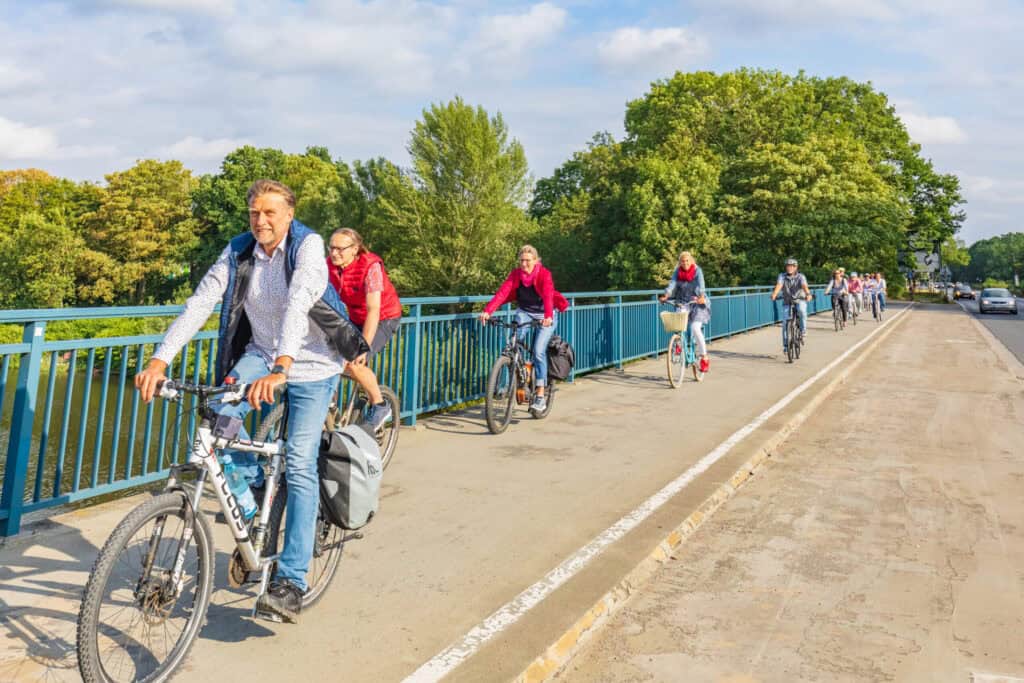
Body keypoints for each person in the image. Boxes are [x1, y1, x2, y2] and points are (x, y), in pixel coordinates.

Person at [134, 179, 368, 624]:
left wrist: (284, 366)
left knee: (298, 461)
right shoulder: (239, 250)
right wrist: (160, 360)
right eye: (255, 213)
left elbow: (298, 304)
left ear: (289, 215)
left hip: (312, 363)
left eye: (270, 213)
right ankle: (253, 499)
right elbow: (201, 303)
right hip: (261, 355)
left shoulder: (308, 246)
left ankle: (291, 581)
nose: (261, 221)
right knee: (218, 423)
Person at [327, 228, 401, 429]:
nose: (334, 253)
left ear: (355, 249)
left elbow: (373, 309)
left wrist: (363, 346)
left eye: (340, 249)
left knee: (355, 363)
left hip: (384, 317)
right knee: (326, 357)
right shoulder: (328, 265)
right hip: (355, 316)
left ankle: (380, 405)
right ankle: (329, 403)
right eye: (331, 248)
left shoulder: (370, 267)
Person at [480, 245, 569, 412]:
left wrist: (548, 316)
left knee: (538, 351)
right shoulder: (516, 275)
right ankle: (508, 384)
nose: (524, 264)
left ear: (535, 260)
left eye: (527, 260)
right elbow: (502, 293)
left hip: (545, 314)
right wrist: (487, 311)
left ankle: (540, 394)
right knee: (511, 345)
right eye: (521, 260)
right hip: (525, 312)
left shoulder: (544, 274)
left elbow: (548, 295)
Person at [658, 250, 711, 373]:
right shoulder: (678, 272)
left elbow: (701, 284)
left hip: (697, 302)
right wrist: (666, 295)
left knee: (695, 328)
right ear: (680, 262)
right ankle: (679, 344)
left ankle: (704, 357)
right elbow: (672, 284)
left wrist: (701, 296)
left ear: (691, 261)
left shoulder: (697, 271)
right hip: (683, 301)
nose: (685, 263)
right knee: (678, 325)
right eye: (682, 261)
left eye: (687, 260)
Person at [770, 258, 811, 354]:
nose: (789, 268)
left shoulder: (801, 276)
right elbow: (779, 285)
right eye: (788, 266)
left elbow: (804, 286)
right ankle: (786, 346)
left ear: (796, 267)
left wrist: (808, 294)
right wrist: (774, 294)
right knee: (785, 324)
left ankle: (803, 330)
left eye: (792, 266)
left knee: (801, 311)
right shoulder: (782, 276)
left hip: (800, 299)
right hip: (787, 301)